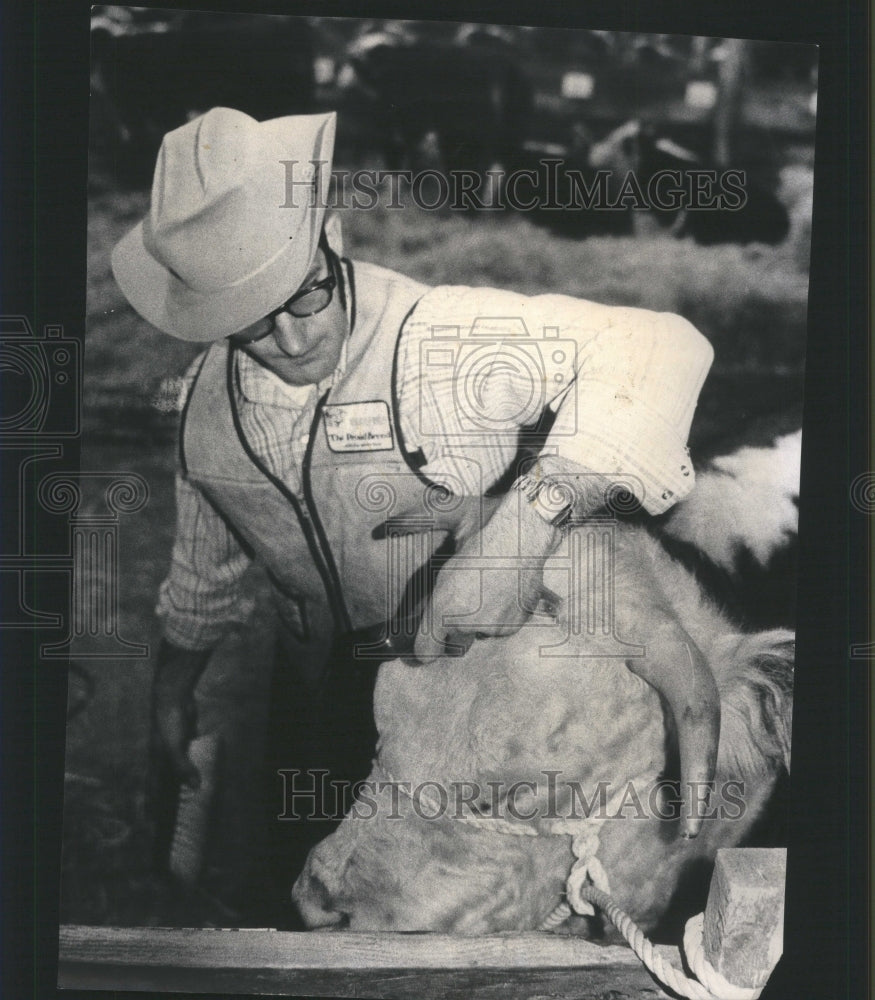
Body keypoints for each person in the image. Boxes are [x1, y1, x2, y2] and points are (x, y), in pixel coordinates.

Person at [112, 107, 716, 924]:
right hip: (315, 687)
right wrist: (170, 696)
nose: (290, 340)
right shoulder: (204, 413)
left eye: (306, 297)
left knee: (440, 909)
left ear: (329, 232)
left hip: (464, 701)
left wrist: (521, 531)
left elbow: (661, 347)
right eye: (251, 326)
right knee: (307, 884)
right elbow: (204, 576)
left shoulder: (444, 338)